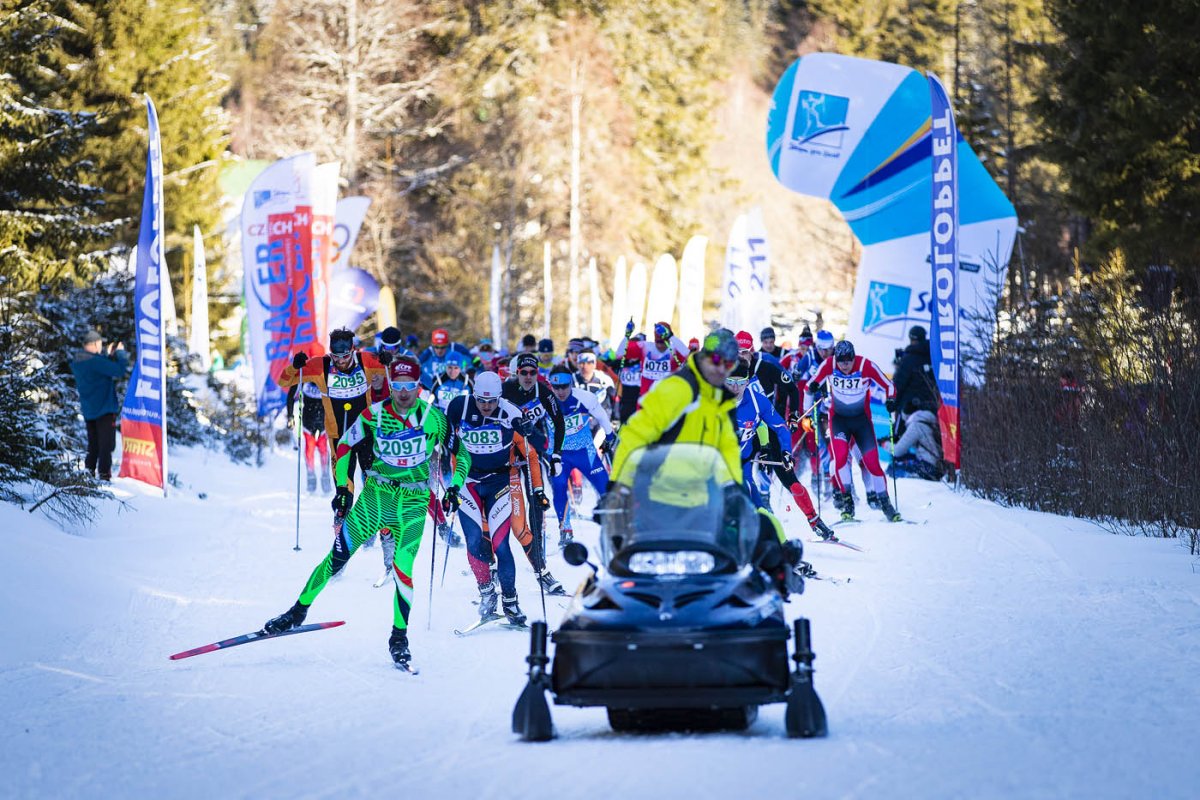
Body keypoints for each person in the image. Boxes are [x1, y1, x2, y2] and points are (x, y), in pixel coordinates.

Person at [263, 356, 470, 669]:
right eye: (397, 385)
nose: (402, 392)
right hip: (375, 498)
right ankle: (296, 612)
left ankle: (399, 637)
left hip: (413, 504)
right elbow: (345, 446)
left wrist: (453, 488)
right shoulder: (373, 414)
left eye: (409, 386)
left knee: (403, 567)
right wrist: (344, 491)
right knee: (335, 559)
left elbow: (461, 454)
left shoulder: (433, 417)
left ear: (418, 386)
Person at [608, 329, 807, 598]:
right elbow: (632, 437)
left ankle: (773, 579)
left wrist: (735, 489)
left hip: (706, 495)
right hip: (664, 494)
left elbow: (727, 449)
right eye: (717, 361)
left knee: (760, 527)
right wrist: (617, 487)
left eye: (728, 365)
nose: (722, 370)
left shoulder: (720, 399)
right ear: (703, 357)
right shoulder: (676, 388)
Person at [446, 371, 561, 622]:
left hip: (500, 482)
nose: (486, 407)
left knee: (502, 545)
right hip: (469, 482)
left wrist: (529, 429)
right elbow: (447, 438)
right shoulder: (459, 406)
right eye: (481, 401)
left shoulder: (511, 412)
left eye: (492, 401)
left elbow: (532, 447)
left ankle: (511, 602)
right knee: (474, 540)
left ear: (500, 397)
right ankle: (487, 592)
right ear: (473, 395)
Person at [725, 362, 836, 539]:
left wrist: (786, 450)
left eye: (740, 381)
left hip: (746, 458)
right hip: (719, 464)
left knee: (761, 503)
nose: (735, 387)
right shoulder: (713, 400)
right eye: (730, 381)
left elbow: (782, 424)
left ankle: (810, 524)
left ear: (748, 380)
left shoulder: (758, 389)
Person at [278, 328, 387, 496]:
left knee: (373, 485)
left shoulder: (364, 360)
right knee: (343, 488)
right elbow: (284, 381)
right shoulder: (321, 365)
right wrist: (295, 366)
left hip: (365, 432)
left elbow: (397, 371)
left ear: (352, 350)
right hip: (339, 437)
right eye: (335, 356)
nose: (340, 361)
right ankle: (343, 517)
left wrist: (388, 360)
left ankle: (373, 518)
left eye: (345, 356)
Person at [805, 340, 900, 522]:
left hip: (862, 422)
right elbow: (810, 386)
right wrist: (809, 404)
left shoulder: (865, 365)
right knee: (840, 459)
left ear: (853, 358)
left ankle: (885, 503)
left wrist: (890, 399)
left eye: (848, 362)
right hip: (839, 421)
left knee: (872, 463)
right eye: (841, 362)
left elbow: (889, 386)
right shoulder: (829, 364)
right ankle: (847, 503)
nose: (845, 366)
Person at [547, 365, 617, 547]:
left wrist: (610, 436)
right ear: (551, 386)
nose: (561, 391)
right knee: (560, 486)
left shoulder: (585, 397)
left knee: (605, 487)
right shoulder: (544, 401)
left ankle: (614, 527)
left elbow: (602, 417)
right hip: (559, 455)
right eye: (556, 388)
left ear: (571, 383)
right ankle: (565, 529)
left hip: (585, 452)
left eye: (565, 386)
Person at [70, 329, 128, 481]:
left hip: (90, 409)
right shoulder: (95, 362)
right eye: (100, 343)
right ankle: (104, 477)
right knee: (106, 446)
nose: (101, 346)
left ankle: (88, 474)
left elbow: (99, 371)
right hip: (104, 409)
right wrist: (120, 353)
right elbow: (119, 370)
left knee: (93, 445)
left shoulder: (80, 361)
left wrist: (108, 356)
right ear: (94, 344)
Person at [612, 320, 689, 401]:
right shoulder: (645, 347)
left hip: (668, 399)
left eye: (663, 343)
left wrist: (671, 336)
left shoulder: (675, 350)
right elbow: (619, 354)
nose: (660, 346)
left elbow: (688, 355)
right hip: (646, 400)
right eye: (658, 342)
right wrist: (627, 335)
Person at [736, 330, 800, 420]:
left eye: (744, 352)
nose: (741, 357)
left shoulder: (766, 362)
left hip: (767, 420)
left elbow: (791, 387)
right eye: (737, 353)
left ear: (752, 351)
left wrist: (793, 414)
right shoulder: (727, 369)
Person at [286, 375, 332, 493]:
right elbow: (291, 396)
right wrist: (290, 416)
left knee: (323, 448)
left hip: (323, 421)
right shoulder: (303, 378)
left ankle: (325, 477)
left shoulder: (326, 378)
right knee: (309, 449)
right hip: (308, 421)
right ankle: (311, 476)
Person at [891, 325, 938, 428]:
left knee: (899, 438)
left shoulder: (909, 359)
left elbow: (899, 383)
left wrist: (892, 403)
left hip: (907, 407)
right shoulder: (933, 357)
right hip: (928, 407)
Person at [885, 399, 942, 481]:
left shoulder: (916, 425)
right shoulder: (928, 420)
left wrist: (884, 444)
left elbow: (897, 451)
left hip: (928, 467)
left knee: (892, 468)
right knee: (906, 458)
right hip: (937, 464)